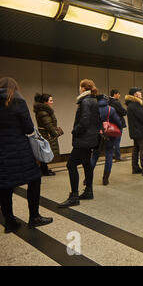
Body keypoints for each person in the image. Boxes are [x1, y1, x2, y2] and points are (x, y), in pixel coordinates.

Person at [0, 77, 53, 233]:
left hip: (2, 154)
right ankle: (34, 217)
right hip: (20, 152)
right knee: (34, 180)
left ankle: (10, 223)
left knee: (5, 187)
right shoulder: (17, 101)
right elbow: (29, 128)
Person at [58, 79, 100, 208]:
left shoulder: (85, 101)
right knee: (86, 164)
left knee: (70, 165)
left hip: (83, 139)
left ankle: (74, 196)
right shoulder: (94, 100)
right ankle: (88, 191)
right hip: (92, 138)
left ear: (83, 88)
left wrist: (75, 131)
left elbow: (85, 121)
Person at [91, 94, 123, 185]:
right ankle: (105, 179)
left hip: (96, 135)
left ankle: (87, 178)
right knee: (109, 155)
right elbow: (118, 122)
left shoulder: (93, 108)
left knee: (94, 156)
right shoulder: (110, 109)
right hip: (108, 136)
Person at [125, 87, 143, 177]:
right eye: (139, 92)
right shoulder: (136, 105)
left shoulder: (130, 105)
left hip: (134, 131)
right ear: (135, 94)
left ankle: (135, 167)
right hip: (140, 131)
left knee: (136, 149)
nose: (141, 94)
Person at [33, 93, 63, 176]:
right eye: (50, 100)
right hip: (46, 134)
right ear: (45, 102)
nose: (52, 102)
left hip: (45, 134)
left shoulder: (43, 111)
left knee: (45, 151)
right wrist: (55, 133)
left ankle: (44, 169)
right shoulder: (43, 112)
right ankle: (44, 170)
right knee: (45, 152)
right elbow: (48, 125)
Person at [109, 89, 127, 161]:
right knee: (117, 141)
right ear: (115, 94)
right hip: (118, 123)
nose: (119, 96)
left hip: (111, 123)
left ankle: (113, 154)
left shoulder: (108, 102)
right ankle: (117, 156)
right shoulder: (116, 103)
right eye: (118, 94)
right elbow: (124, 112)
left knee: (113, 140)